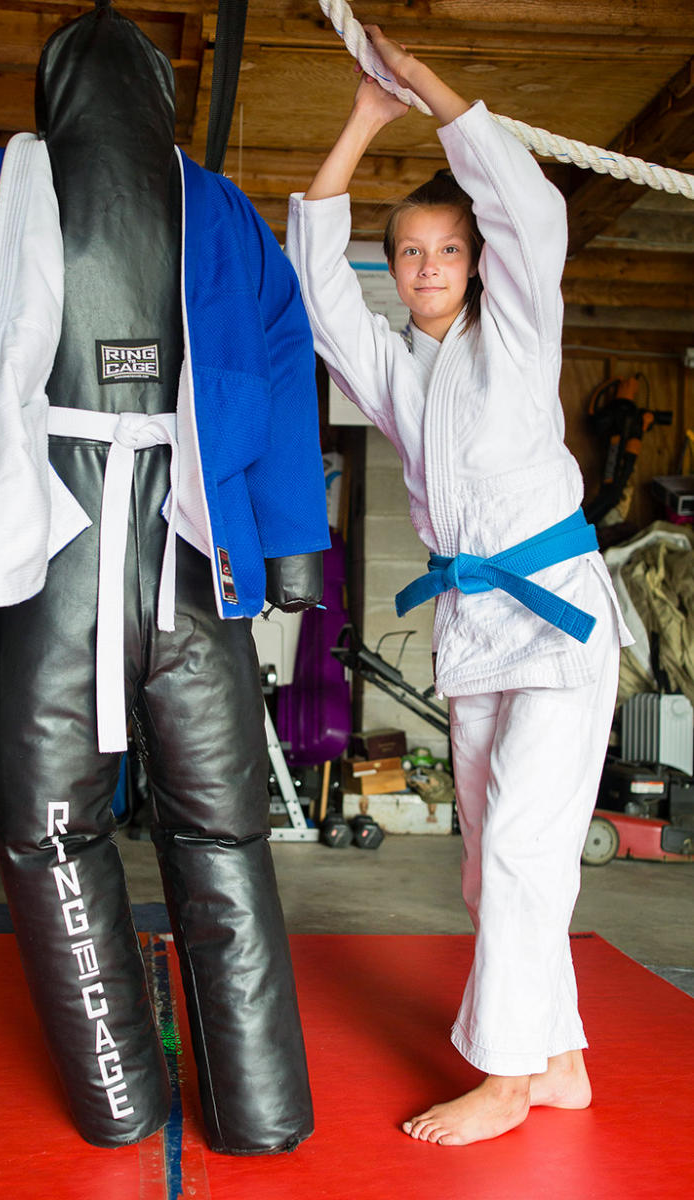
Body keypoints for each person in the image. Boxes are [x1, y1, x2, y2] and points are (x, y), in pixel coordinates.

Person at [0, 2, 326, 1155]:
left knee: (50, 831)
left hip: (64, 548)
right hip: (179, 543)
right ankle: (261, 1115)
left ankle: (122, 1101)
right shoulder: (214, 207)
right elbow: (278, 356)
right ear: (163, 94)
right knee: (220, 832)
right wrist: (291, 542)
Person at [285, 26, 632, 1147]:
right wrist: (363, 118)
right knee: (490, 868)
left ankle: (504, 1075)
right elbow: (319, 290)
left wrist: (425, 88)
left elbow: (531, 212)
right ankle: (565, 1059)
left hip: (558, 620)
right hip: (475, 631)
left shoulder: (519, 333)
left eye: (447, 248)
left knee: (527, 849)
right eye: (410, 253)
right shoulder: (399, 373)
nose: (429, 266)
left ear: (476, 262)